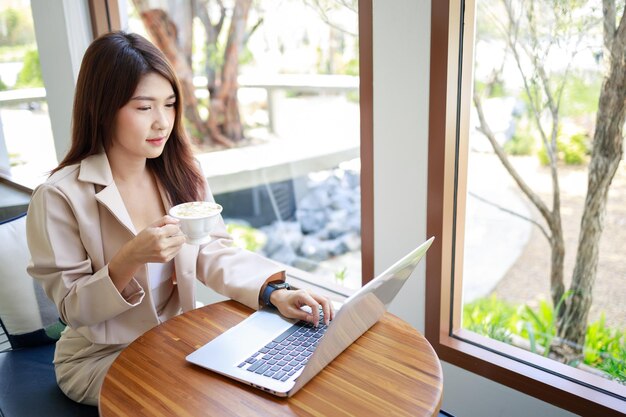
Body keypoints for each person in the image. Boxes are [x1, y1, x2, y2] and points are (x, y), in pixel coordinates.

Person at [26, 31, 334, 406]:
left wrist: (275, 293)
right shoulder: (59, 197)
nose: (162, 122)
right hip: (99, 356)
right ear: (103, 108)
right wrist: (130, 257)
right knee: (207, 398)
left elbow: (212, 251)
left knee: (269, 380)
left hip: (173, 336)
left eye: (169, 104)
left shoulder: (182, 173)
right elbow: (74, 311)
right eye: (144, 108)